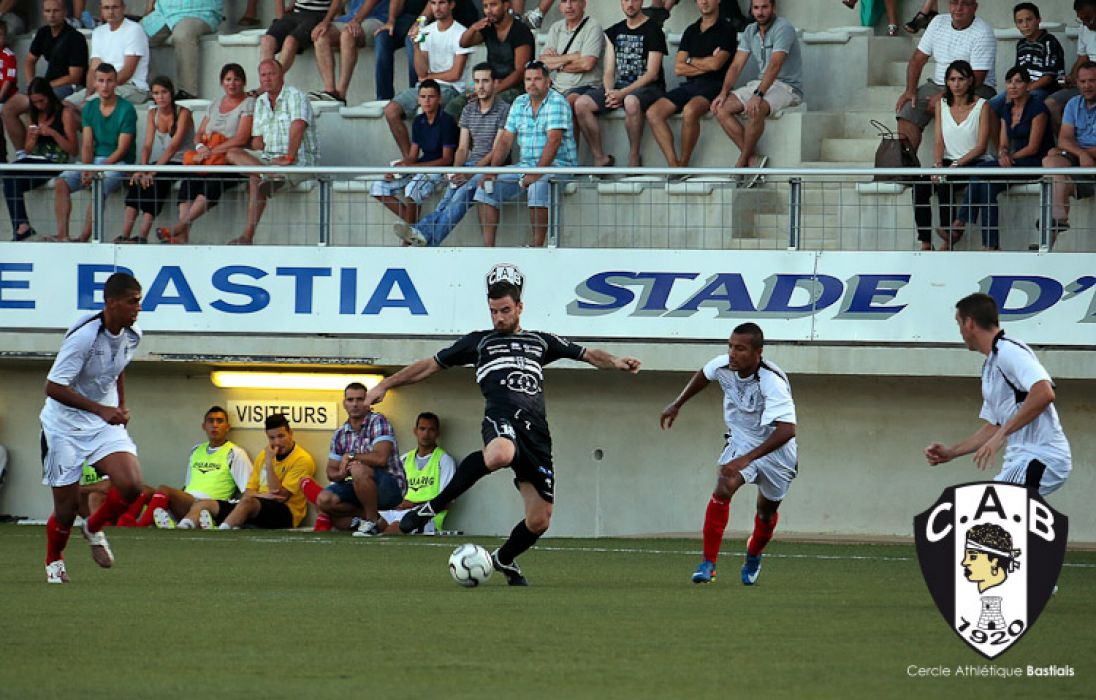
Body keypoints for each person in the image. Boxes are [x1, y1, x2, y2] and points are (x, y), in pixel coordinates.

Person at [368, 265, 640, 584]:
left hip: (537, 436)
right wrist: (387, 384)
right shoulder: (478, 343)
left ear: (519, 307)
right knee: (499, 454)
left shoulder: (542, 342)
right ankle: (432, 506)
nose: (498, 318)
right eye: (493, 311)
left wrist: (617, 362)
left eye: (505, 310)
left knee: (539, 520)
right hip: (502, 418)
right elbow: (428, 366)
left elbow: (587, 354)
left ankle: (504, 559)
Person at [660, 322, 798, 586]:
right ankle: (708, 564)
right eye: (731, 347)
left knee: (766, 513)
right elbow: (704, 374)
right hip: (741, 441)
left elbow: (787, 430)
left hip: (777, 451)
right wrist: (677, 404)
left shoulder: (771, 381)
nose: (733, 354)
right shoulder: (723, 365)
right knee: (724, 485)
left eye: (741, 349)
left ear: (758, 352)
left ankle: (754, 554)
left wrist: (748, 459)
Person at [40, 272, 146, 584]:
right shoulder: (85, 336)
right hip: (63, 426)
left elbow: (118, 368)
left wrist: (121, 405)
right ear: (111, 303)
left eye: (139, 301)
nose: (137, 308)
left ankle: (93, 527)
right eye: (132, 302)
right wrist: (101, 409)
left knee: (131, 485)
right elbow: (53, 386)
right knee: (66, 509)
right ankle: (54, 559)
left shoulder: (133, 333)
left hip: (102, 423)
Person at [925, 293, 1072, 496]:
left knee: (991, 512)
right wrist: (951, 452)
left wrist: (1002, 435)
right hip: (1021, 460)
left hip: (1041, 456)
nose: (959, 331)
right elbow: (996, 424)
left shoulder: (1009, 351)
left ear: (969, 323)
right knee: (991, 519)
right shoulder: (990, 366)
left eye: (958, 323)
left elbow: (1044, 392)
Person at [393, 62, 509, 246]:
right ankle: (423, 238)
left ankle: (423, 236)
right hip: (471, 165)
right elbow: (462, 148)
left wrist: (468, 173)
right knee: (446, 201)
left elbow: (497, 150)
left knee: (459, 198)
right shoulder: (469, 109)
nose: (480, 86)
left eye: (485, 81)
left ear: (495, 83)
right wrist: (455, 170)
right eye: (477, 81)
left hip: (493, 166)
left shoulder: (504, 109)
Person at [473, 60, 577, 247]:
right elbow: (505, 139)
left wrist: (536, 173)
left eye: (537, 79)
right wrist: (492, 170)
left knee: (538, 185)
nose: (532, 83)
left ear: (548, 82)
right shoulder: (519, 102)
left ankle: (536, 247)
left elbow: (554, 141)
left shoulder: (557, 102)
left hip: (559, 167)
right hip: (526, 166)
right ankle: (487, 250)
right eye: (528, 79)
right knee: (485, 187)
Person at [155, 63, 255, 244]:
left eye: (236, 80)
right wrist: (201, 147)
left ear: (243, 82)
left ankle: (178, 227)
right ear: (222, 82)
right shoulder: (216, 103)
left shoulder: (248, 104)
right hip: (208, 158)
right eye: (228, 79)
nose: (232, 84)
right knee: (189, 181)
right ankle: (182, 237)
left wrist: (213, 151)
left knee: (214, 182)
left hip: (231, 161)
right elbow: (200, 133)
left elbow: (241, 138)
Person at [952, 67, 1051, 250]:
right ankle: (991, 245)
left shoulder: (1038, 108)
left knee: (980, 169)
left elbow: (1033, 147)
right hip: (1014, 162)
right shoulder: (1007, 108)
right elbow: (1003, 142)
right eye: (1009, 82)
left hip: (1034, 162)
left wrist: (1009, 157)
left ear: (1028, 86)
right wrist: (1004, 153)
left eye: (1018, 81)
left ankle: (961, 220)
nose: (1013, 86)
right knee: (987, 187)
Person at [225, 58, 319, 245]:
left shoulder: (296, 96)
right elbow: (258, 141)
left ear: (281, 74)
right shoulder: (260, 102)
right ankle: (269, 175)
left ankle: (247, 236)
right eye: (263, 75)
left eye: (271, 74)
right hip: (270, 161)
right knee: (232, 153)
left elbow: (298, 126)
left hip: (298, 161)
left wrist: (288, 157)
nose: (267, 79)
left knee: (254, 178)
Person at [711, 0, 802, 185]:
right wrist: (723, 92)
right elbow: (736, 65)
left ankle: (741, 163)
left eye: (764, 7)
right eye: (756, 8)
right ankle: (753, 158)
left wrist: (758, 95)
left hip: (787, 87)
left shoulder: (783, 28)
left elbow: (776, 64)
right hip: (761, 83)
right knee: (721, 108)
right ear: (751, 10)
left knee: (756, 108)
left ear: (773, 8)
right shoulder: (750, 30)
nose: (760, 12)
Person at [299, 382, 405, 535]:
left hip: (390, 487)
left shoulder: (378, 421)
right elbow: (331, 472)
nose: (355, 404)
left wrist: (351, 457)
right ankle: (372, 519)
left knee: (357, 468)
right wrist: (341, 473)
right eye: (350, 400)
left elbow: (381, 458)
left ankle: (371, 522)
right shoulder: (340, 434)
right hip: (358, 486)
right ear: (344, 403)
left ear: (368, 402)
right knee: (324, 500)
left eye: (360, 399)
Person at [50, 62, 138, 243]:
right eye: (101, 81)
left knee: (99, 185)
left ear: (116, 83)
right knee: (61, 182)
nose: (105, 86)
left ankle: (84, 238)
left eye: (109, 81)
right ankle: (63, 235)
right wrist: (87, 168)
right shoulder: (90, 107)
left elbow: (122, 149)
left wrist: (95, 170)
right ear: (95, 83)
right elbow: (88, 144)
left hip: (118, 162)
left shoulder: (126, 109)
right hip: (95, 160)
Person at [573, 0, 667, 168]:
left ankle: (633, 155)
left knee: (631, 101)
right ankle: (599, 157)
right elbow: (609, 71)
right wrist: (610, 92)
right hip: (619, 87)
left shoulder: (654, 30)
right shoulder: (614, 31)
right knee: (581, 104)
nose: (630, 4)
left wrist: (622, 94)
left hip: (649, 88)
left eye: (634, 0)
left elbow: (652, 73)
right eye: (625, 0)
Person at [910, 60, 992, 251]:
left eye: (961, 79)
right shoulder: (942, 105)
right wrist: (938, 164)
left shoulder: (982, 106)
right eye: (952, 79)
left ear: (970, 81)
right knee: (920, 185)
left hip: (973, 161)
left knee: (946, 179)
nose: (956, 84)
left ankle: (949, 238)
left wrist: (954, 166)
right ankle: (925, 241)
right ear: (946, 82)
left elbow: (981, 146)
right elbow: (938, 140)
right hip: (948, 161)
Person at [895, 0, 996, 152]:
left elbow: (978, 78)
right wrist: (910, 90)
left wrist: (944, 96)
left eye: (965, 4)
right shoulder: (938, 22)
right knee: (908, 110)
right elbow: (918, 59)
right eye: (954, 3)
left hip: (974, 87)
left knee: (954, 104)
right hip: (938, 84)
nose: (958, 8)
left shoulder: (983, 31)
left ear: (975, 7)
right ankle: (906, 170)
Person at [185, 413, 316, 530]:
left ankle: (223, 531)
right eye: (272, 438)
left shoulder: (302, 459)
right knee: (205, 504)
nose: (277, 442)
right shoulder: (262, 455)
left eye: (281, 436)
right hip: (257, 504)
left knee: (248, 503)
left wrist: (270, 463)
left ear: (290, 433)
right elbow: (248, 492)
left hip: (286, 513)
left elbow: (280, 496)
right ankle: (182, 527)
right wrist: (263, 495)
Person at [646, 0, 735, 169]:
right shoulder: (691, 30)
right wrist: (706, 62)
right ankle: (675, 165)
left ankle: (684, 163)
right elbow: (679, 68)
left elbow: (717, 65)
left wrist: (691, 61)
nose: (704, 1)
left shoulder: (727, 29)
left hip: (715, 85)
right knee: (653, 113)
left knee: (690, 110)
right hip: (689, 86)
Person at [136, 406, 253, 528]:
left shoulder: (235, 453)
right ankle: (126, 522)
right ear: (204, 426)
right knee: (145, 490)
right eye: (211, 421)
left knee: (164, 490)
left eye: (219, 421)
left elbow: (249, 489)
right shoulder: (196, 450)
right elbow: (187, 485)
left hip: (210, 505)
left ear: (227, 427)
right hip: (187, 502)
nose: (215, 425)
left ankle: (142, 526)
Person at [381, 0, 472, 157]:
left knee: (428, 106)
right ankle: (410, 159)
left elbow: (455, 74)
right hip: (426, 86)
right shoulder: (426, 32)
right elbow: (421, 72)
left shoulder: (461, 33)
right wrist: (416, 46)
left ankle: (439, 158)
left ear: (452, 5)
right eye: (433, 3)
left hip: (451, 88)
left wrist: (429, 77)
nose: (436, 7)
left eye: (442, 2)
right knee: (390, 110)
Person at [2, 0, 86, 161]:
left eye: (56, 11)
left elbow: (74, 76)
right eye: (48, 11)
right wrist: (32, 83)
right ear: (43, 13)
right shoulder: (43, 33)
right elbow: (29, 60)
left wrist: (43, 87)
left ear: (64, 12)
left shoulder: (75, 38)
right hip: (46, 87)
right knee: (8, 109)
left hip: (68, 86)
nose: (52, 15)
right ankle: (22, 155)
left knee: (39, 104)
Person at [115, 76, 194, 244]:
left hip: (185, 161)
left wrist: (152, 172)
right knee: (136, 180)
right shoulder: (153, 113)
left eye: (164, 92)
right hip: (167, 161)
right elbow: (147, 145)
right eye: (156, 93)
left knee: (154, 181)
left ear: (171, 93)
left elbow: (174, 147)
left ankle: (142, 236)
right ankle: (125, 234)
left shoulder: (183, 113)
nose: (160, 97)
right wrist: (143, 169)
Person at [372, 79, 458, 225]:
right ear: (418, 99)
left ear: (439, 99)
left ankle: (409, 238)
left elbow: (447, 160)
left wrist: (414, 167)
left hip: (438, 171)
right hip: (421, 166)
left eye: (431, 97)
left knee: (412, 191)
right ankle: (414, 228)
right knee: (378, 187)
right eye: (423, 97)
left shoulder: (447, 121)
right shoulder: (418, 121)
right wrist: (399, 168)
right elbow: (413, 155)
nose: (427, 101)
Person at [2, 78, 79, 241]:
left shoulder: (65, 113)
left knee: (11, 174)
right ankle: (22, 225)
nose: (39, 105)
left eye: (41, 101)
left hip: (55, 161)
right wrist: (32, 138)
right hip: (35, 160)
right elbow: (28, 149)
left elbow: (73, 149)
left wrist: (52, 133)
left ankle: (22, 227)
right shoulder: (34, 114)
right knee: (9, 175)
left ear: (49, 96)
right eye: (34, 102)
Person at [446, 0, 535, 118]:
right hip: (489, 84)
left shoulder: (520, 31)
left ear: (506, 5)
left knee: (490, 108)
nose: (489, 10)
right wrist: (473, 28)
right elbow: (464, 43)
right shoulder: (489, 27)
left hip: (516, 88)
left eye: (493, 5)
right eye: (485, 6)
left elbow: (520, 71)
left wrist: (495, 90)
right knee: (453, 108)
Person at [1041, 61, 1096, 242]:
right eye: (1083, 81)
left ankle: (1050, 237)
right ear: (1077, 83)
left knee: (1055, 173)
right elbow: (1064, 138)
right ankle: (1059, 216)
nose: (1087, 86)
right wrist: (1082, 154)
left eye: (1092, 81)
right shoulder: (1073, 104)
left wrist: (1085, 154)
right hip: (1078, 158)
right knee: (1051, 159)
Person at [379, 412, 456, 534]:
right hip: (397, 511)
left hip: (425, 516)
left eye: (431, 430)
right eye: (422, 429)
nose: (426, 434)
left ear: (437, 433)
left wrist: (413, 504)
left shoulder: (444, 460)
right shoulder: (404, 459)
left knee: (392, 529)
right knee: (370, 523)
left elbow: (446, 502)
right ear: (415, 431)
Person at [67, 0, 150, 107]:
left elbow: (126, 73)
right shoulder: (98, 32)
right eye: (106, 8)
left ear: (123, 8)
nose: (111, 11)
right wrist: (88, 94)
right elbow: (93, 69)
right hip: (103, 86)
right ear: (101, 9)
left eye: (115, 7)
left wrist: (96, 93)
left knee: (87, 107)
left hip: (132, 87)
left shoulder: (134, 29)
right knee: (64, 106)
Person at [988, 3, 1063, 114]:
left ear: (1038, 20)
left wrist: (1024, 90)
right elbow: (1018, 72)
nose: (1025, 25)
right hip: (1022, 88)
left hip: (1044, 89)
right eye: (1020, 21)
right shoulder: (1021, 44)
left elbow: (1048, 78)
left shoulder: (1049, 42)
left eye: (1029, 19)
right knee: (989, 107)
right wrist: (1013, 88)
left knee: (1024, 104)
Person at [141, 0, 223, 100]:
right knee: (137, 33)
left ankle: (187, 93)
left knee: (183, 35)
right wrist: (149, 8)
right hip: (164, 13)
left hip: (198, 11)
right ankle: (146, 89)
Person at [312, 0, 390, 104]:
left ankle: (341, 94)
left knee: (348, 35)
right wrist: (325, 22)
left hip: (377, 18)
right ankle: (330, 91)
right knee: (321, 36)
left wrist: (357, 20)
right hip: (350, 19)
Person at [538, 0, 603, 120]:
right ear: (560, 6)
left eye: (573, 1)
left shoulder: (593, 26)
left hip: (585, 86)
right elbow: (543, 62)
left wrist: (557, 62)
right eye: (564, 1)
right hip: (558, 87)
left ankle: (571, 140)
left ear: (583, 4)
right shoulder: (556, 27)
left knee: (566, 105)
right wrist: (572, 57)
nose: (568, 6)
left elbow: (587, 64)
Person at [1046, 0, 1096, 133]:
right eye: (1081, 20)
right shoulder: (1084, 29)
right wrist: (1072, 78)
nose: (1085, 23)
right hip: (1087, 83)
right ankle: (1068, 146)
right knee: (1051, 103)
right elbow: (1082, 58)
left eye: (1088, 18)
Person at [260, 0, 336, 75]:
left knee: (290, 41)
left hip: (317, 15)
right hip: (296, 13)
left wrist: (326, 21)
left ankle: (274, 80)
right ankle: (266, 80)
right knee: (267, 40)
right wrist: (281, 19)